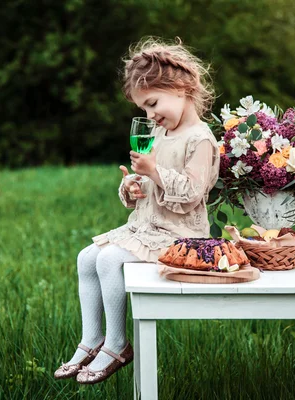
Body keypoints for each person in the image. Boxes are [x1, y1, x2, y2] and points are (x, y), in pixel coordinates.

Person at [54, 37, 220, 384]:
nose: (150, 115)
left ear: (182, 87)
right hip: (147, 228)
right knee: (87, 258)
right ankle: (91, 340)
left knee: (109, 260)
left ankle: (117, 344)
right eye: (143, 108)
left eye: (153, 103)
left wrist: (154, 171)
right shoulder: (158, 132)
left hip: (182, 237)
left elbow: (191, 194)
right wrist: (133, 186)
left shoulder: (200, 139)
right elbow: (151, 190)